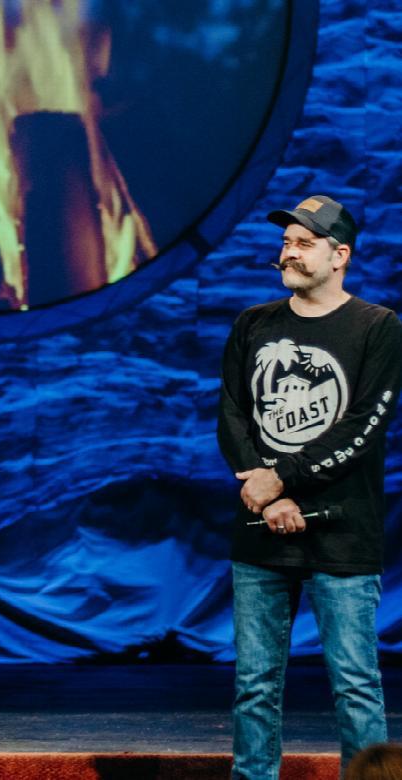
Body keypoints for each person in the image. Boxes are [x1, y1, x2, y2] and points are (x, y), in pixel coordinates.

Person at [217, 194, 402, 779]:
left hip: (344, 535)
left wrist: (282, 479)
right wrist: (269, 492)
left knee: (355, 683)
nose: (289, 253)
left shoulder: (378, 327)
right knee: (254, 683)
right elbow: (233, 416)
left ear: (339, 255)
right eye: (285, 242)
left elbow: (363, 427)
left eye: (304, 243)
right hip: (261, 531)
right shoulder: (253, 324)